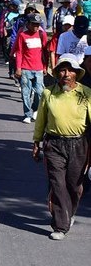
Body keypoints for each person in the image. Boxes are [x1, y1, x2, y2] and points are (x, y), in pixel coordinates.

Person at [33, 55, 91, 240]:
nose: (66, 74)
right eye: (62, 71)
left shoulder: (86, 93)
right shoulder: (48, 93)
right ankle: (60, 225)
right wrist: (36, 142)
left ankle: (68, 213)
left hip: (79, 145)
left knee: (74, 186)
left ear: (76, 73)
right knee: (57, 184)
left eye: (70, 70)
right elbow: (41, 119)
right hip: (54, 144)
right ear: (57, 73)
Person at [14, 13, 48, 123]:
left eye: (38, 25)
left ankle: (35, 109)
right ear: (28, 24)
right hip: (25, 68)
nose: (36, 27)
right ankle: (27, 114)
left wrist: (45, 67)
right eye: (33, 24)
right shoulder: (22, 35)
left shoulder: (42, 35)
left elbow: (45, 52)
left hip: (38, 68)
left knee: (40, 92)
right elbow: (19, 52)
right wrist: (18, 68)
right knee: (25, 92)